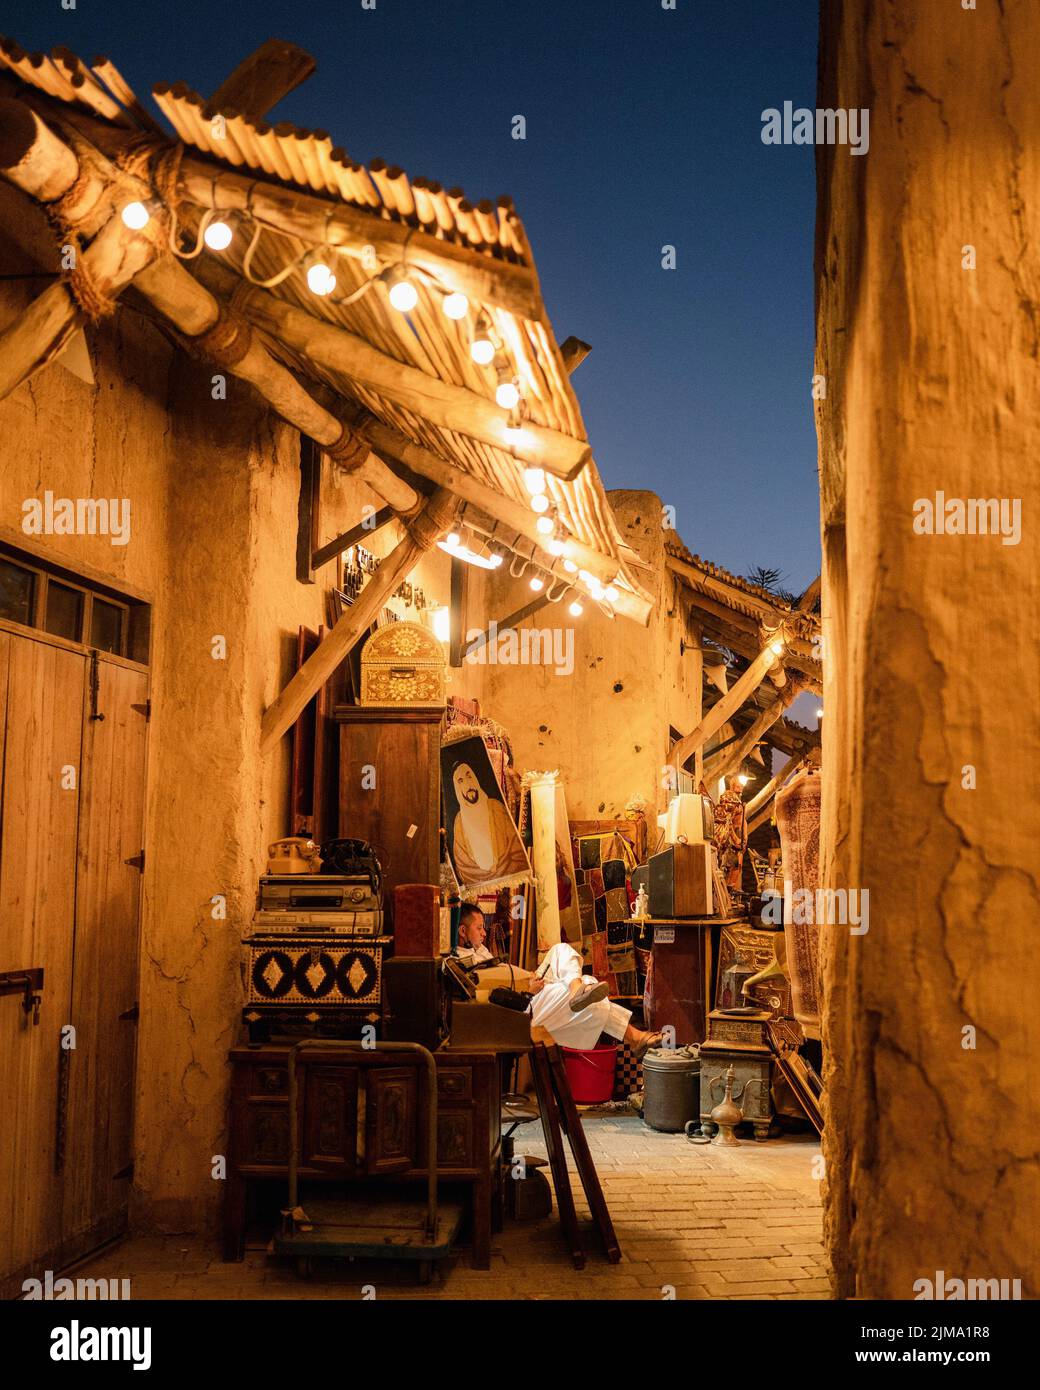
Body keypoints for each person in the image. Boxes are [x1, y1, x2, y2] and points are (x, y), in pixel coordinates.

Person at [527, 941, 663, 1058]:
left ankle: (576, 988)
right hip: (524, 1010)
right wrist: (528, 992)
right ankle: (634, 1038)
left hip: (526, 997)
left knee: (560, 949)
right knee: (586, 986)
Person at [448, 760, 529, 883]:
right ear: (457, 788)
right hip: (475, 890)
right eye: (461, 781)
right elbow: (462, 865)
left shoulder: (496, 807)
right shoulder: (459, 821)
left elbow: (517, 854)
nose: (468, 785)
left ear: (475, 779)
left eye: (469, 776)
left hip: (506, 885)